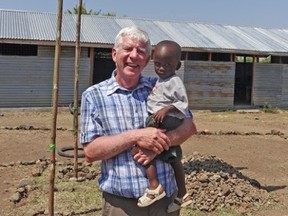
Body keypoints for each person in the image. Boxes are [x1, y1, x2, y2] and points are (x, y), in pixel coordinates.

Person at [80, 26, 197, 216]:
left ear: (147, 59)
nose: (134, 56)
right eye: (128, 49)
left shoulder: (159, 87)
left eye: (141, 51)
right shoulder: (93, 96)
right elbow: (91, 152)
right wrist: (136, 136)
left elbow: (189, 127)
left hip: (165, 204)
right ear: (114, 53)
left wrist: (154, 146)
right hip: (121, 206)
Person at [137, 40, 193, 213]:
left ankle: (154, 187)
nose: (161, 68)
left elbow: (182, 102)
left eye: (167, 64)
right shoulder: (161, 80)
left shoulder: (174, 81)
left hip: (164, 120)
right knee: (174, 158)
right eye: (158, 64)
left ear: (178, 64)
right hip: (164, 119)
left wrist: (166, 110)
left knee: (142, 145)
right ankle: (182, 194)